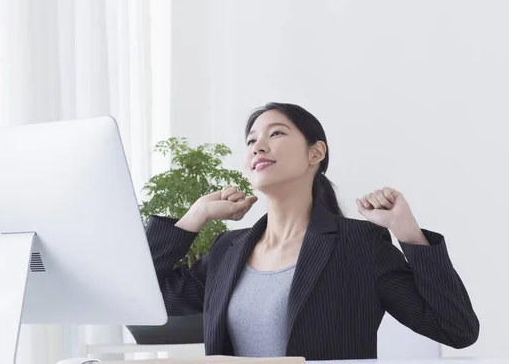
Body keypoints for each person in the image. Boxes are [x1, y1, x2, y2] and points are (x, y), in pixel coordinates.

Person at [145, 102, 479, 360]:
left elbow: (455, 328)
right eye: (251, 140)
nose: (258, 146)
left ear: (315, 153)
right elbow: (149, 296)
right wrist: (195, 216)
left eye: (275, 133)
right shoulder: (228, 249)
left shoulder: (359, 245)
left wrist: (409, 233)